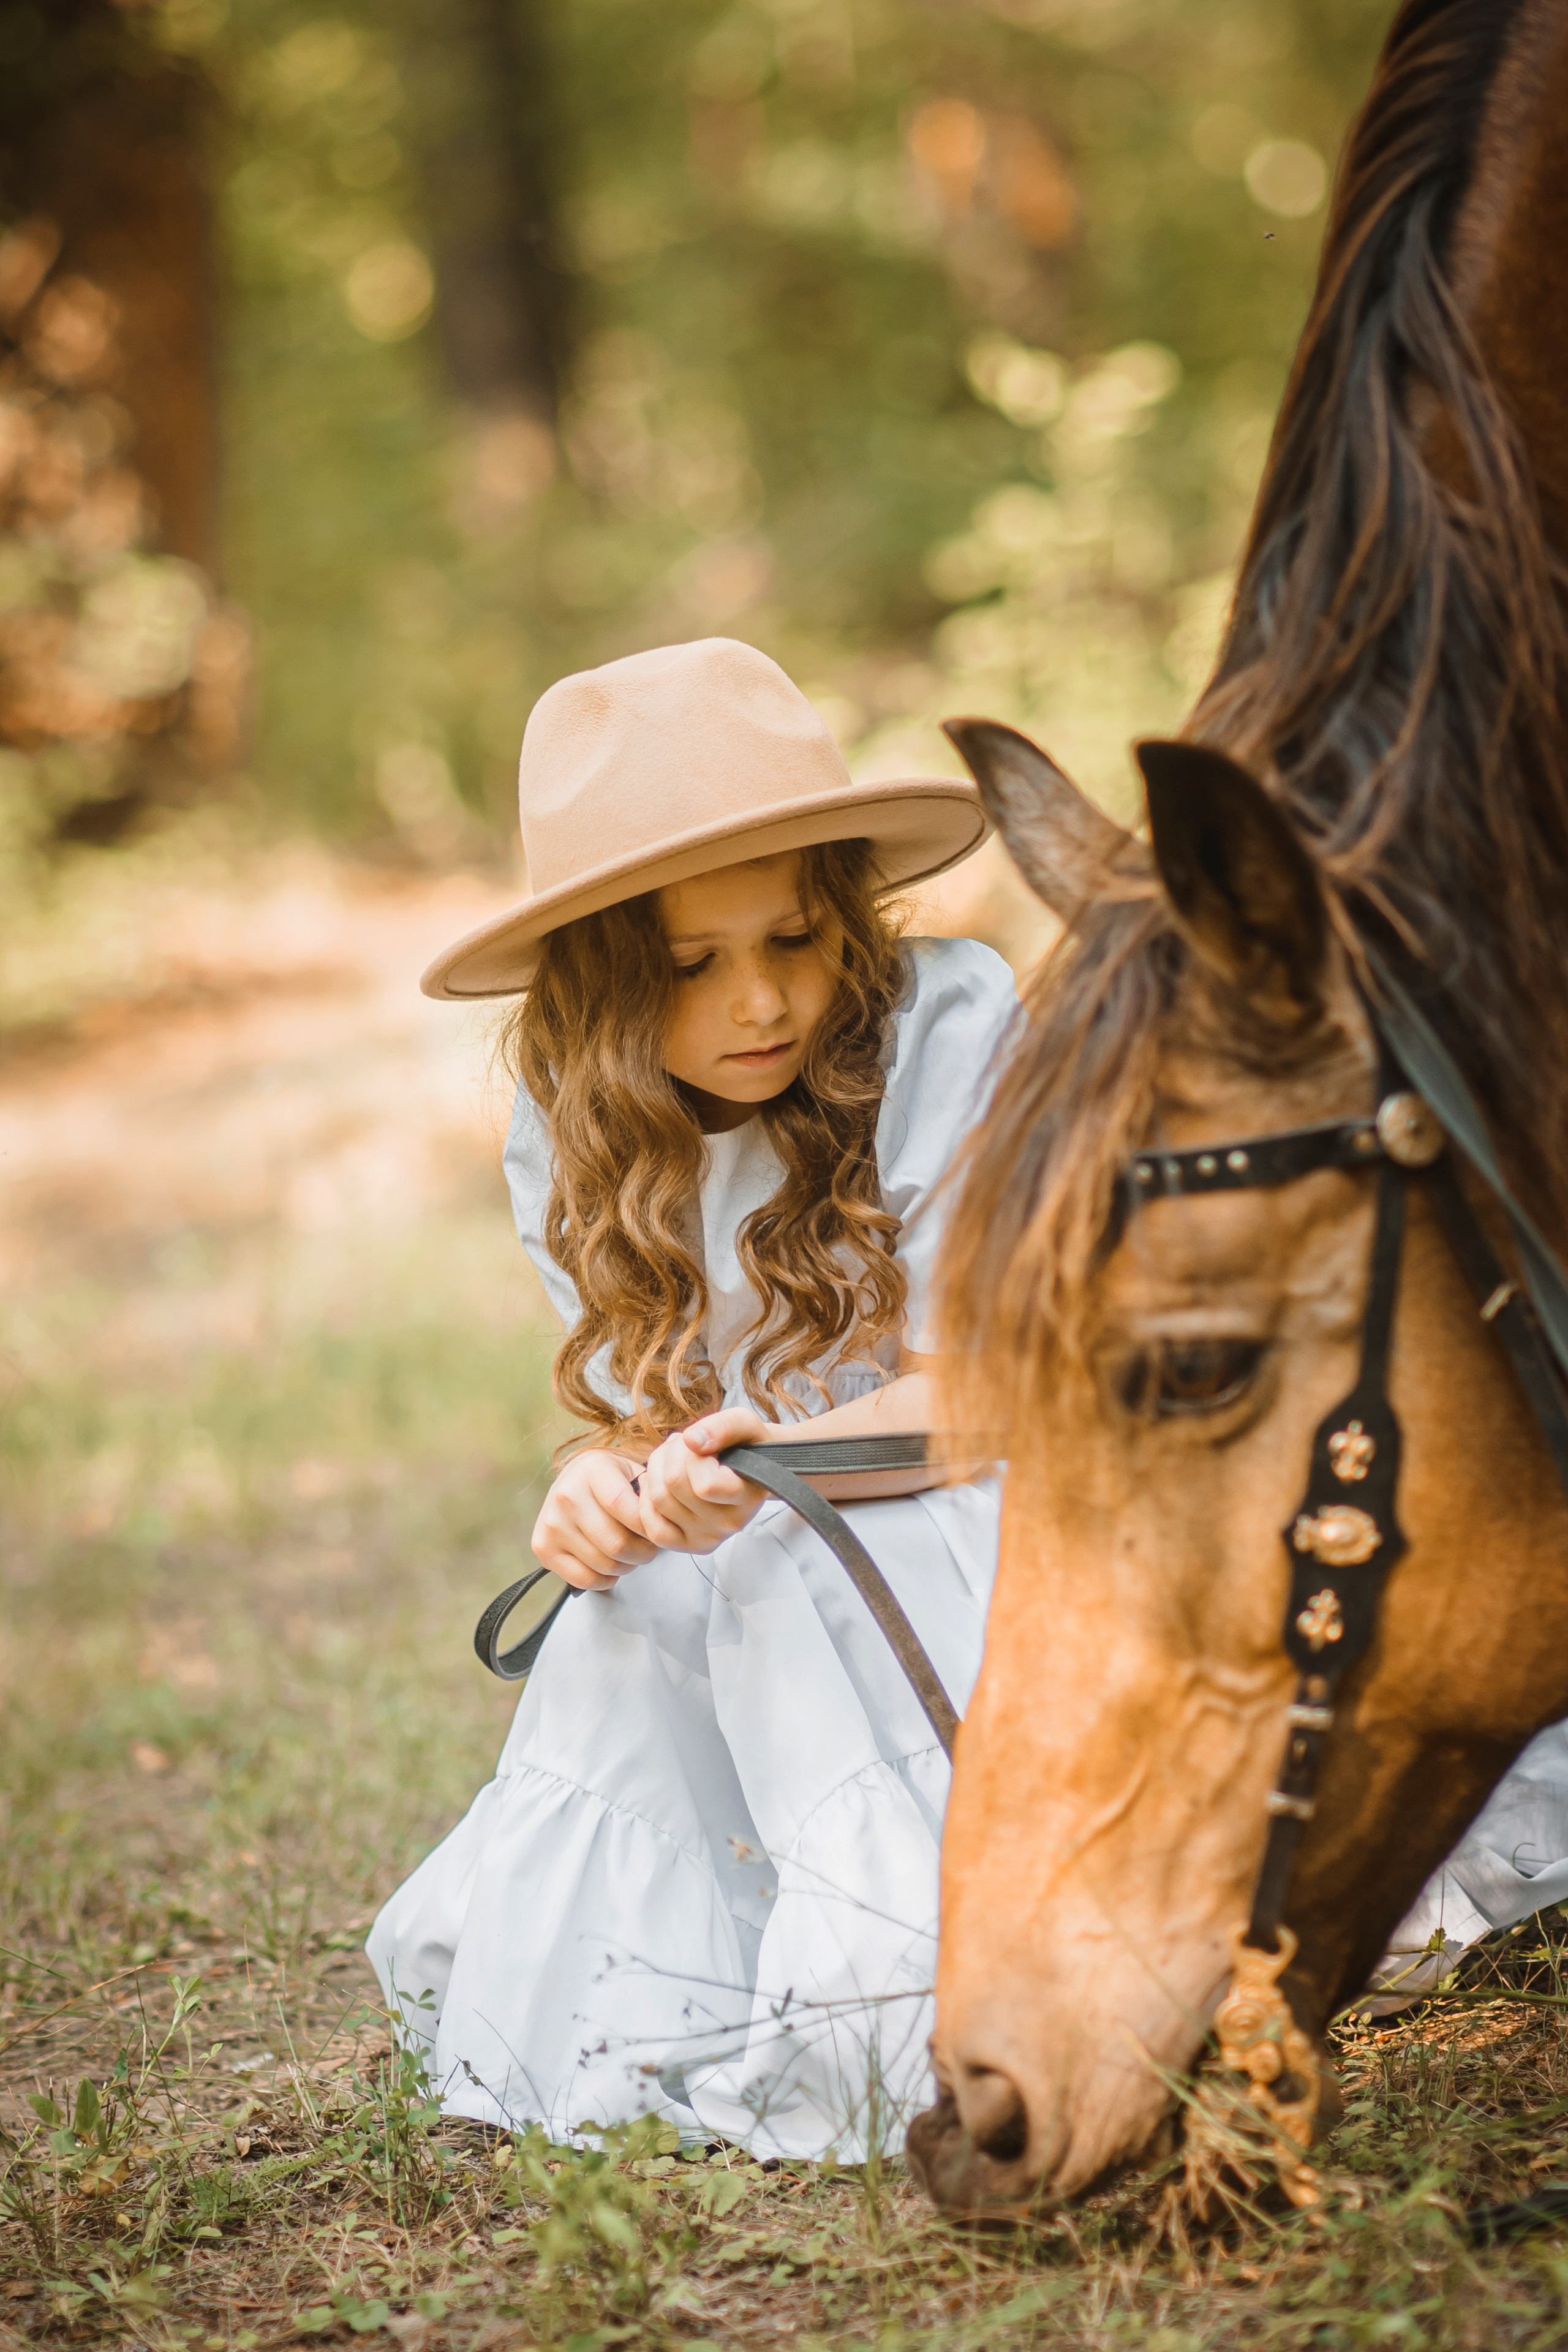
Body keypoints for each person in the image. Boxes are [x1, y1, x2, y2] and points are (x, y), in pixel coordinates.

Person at [367, 636, 1017, 2159]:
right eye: (688, 965)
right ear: (600, 983)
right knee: (630, 1615)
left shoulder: (942, 1021)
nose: (761, 1002)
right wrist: (605, 1481)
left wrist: (767, 1467)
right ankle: (608, 2029)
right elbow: (647, 1407)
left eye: (791, 939)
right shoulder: (571, 1118)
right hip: (762, 1514)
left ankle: (893, 2002)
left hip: (981, 1499)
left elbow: (1001, 1386)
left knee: (777, 1567)